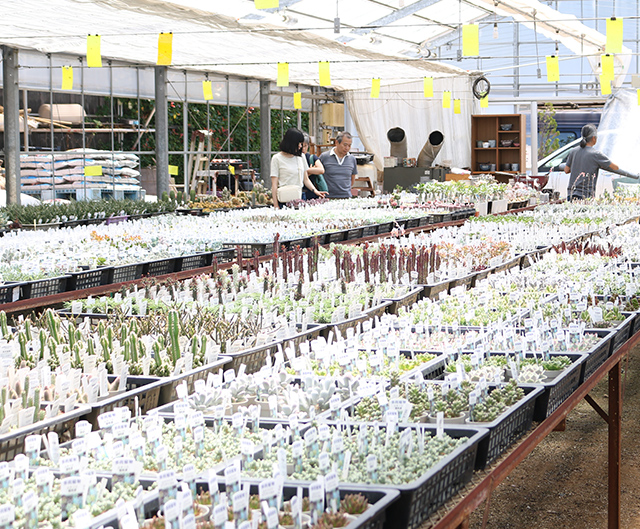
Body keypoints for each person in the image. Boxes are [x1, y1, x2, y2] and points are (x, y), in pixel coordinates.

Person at [564, 124, 639, 200]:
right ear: (593, 138)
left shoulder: (573, 151)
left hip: (571, 193)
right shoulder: (596, 154)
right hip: (585, 196)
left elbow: (566, 170)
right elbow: (615, 167)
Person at [271, 128, 328, 209]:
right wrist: (275, 205)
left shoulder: (301, 157)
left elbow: (305, 179)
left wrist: (316, 191)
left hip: (299, 198)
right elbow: (274, 184)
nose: (301, 146)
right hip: (284, 200)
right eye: (299, 143)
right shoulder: (277, 158)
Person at [319, 131, 358, 199]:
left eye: (349, 145)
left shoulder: (352, 159)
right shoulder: (324, 157)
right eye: (345, 145)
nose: (347, 148)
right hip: (328, 197)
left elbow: (352, 178)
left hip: (346, 197)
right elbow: (318, 176)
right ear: (336, 142)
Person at [301, 133, 326, 200]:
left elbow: (321, 170)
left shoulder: (311, 158)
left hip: (312, 192)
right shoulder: (295, 158)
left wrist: (307, 170)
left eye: (305, 146)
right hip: (299, 192)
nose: (303, 149)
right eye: (301, 146)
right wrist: (312, 170)